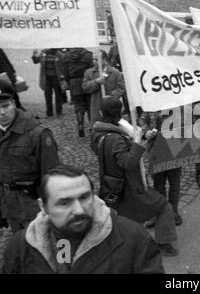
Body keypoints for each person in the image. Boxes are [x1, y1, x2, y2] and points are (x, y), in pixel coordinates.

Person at [2, 165, 165, 274]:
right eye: (64, 202)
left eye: (84, 197)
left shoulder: (134, 238)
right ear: (43, 206)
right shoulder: (20, 246)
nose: (79, 210)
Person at [91, 97, 179, 256]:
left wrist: (142, 139)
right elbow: (128, 162)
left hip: (114, 185)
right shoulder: (115, 138)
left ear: (101, 113)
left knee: (127, 220)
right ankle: (163, 243)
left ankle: (129, 247)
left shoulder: (99, 132)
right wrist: (137, 143)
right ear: (119, 113)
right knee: (164, 207)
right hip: (129, 186)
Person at [0, 80, 60, 233]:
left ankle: (63, 257)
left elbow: (52, 175)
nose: (2, 112)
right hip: (11, 208)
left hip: (35, 208)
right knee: (22, 250)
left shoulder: (37, 133)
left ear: (14, 103)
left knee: (48, 249)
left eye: (5, 105)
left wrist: (52, 209)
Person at [138, 109, 183, 226]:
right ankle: (161, 212)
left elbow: (187, 124)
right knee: (158, 185)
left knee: (174, 184)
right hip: (155, 152)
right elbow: (142, 121)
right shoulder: (150, 108)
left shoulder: (178, 107)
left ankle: (173, 211)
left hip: (174, 152)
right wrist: (146, 132)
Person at [82, 50, 125, 125]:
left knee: (114, 125)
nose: (94, 61)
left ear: (104, 59)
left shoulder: (115, 72)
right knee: (98, 125)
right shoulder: (89, 72)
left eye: (96, 59)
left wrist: (112, 96)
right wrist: (96, 82)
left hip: (112, 106)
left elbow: (121, 88)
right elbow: (85, 87)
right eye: (93, 59)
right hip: (96, 105)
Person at [64, 48, 93, 137]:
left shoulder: (67, 55)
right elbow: (91, 69)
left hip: (74, 82)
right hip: (86, 81)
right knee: (89, 104)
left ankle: (80, 124)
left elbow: (65, 72)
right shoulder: (88, 54)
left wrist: (70, 82)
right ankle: (91, 126)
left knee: (78, 104)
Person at [32, 48, 66, 118]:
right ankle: (49, 113)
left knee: (58, 95)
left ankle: (59, 112)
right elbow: (36, 61)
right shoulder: (43, 53)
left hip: (57, 78)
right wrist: (34, 54)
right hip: (46, 78)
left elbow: (64, 66)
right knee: (47, 95)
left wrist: (63, 77)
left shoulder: (60, 55)